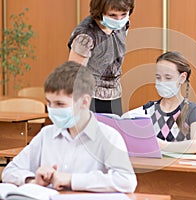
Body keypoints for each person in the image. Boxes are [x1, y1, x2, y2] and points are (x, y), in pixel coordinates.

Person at [2, 61, 137, 192]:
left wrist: (72, 180)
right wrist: (33, 180)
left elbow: (126, 181)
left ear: (84, 101)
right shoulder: (46, 134)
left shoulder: (109, 136)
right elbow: (10, 171)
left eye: (60, 104)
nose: (52, 109)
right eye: (49, 103)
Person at [126, 51, 196, 153]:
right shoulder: (148, 109)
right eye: (158, 77)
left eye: (168, 78)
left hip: (180, 167)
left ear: (182, 78)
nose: (162, 82)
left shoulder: (192, 110)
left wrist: (162, 145)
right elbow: (125, 119)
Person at [68, 0, 135, 116]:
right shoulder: (85, 36)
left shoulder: (123, 25)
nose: (119, 20)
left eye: (123, 14)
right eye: (112, 15)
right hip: (90, 97)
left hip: (114, 95)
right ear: (100, 12)